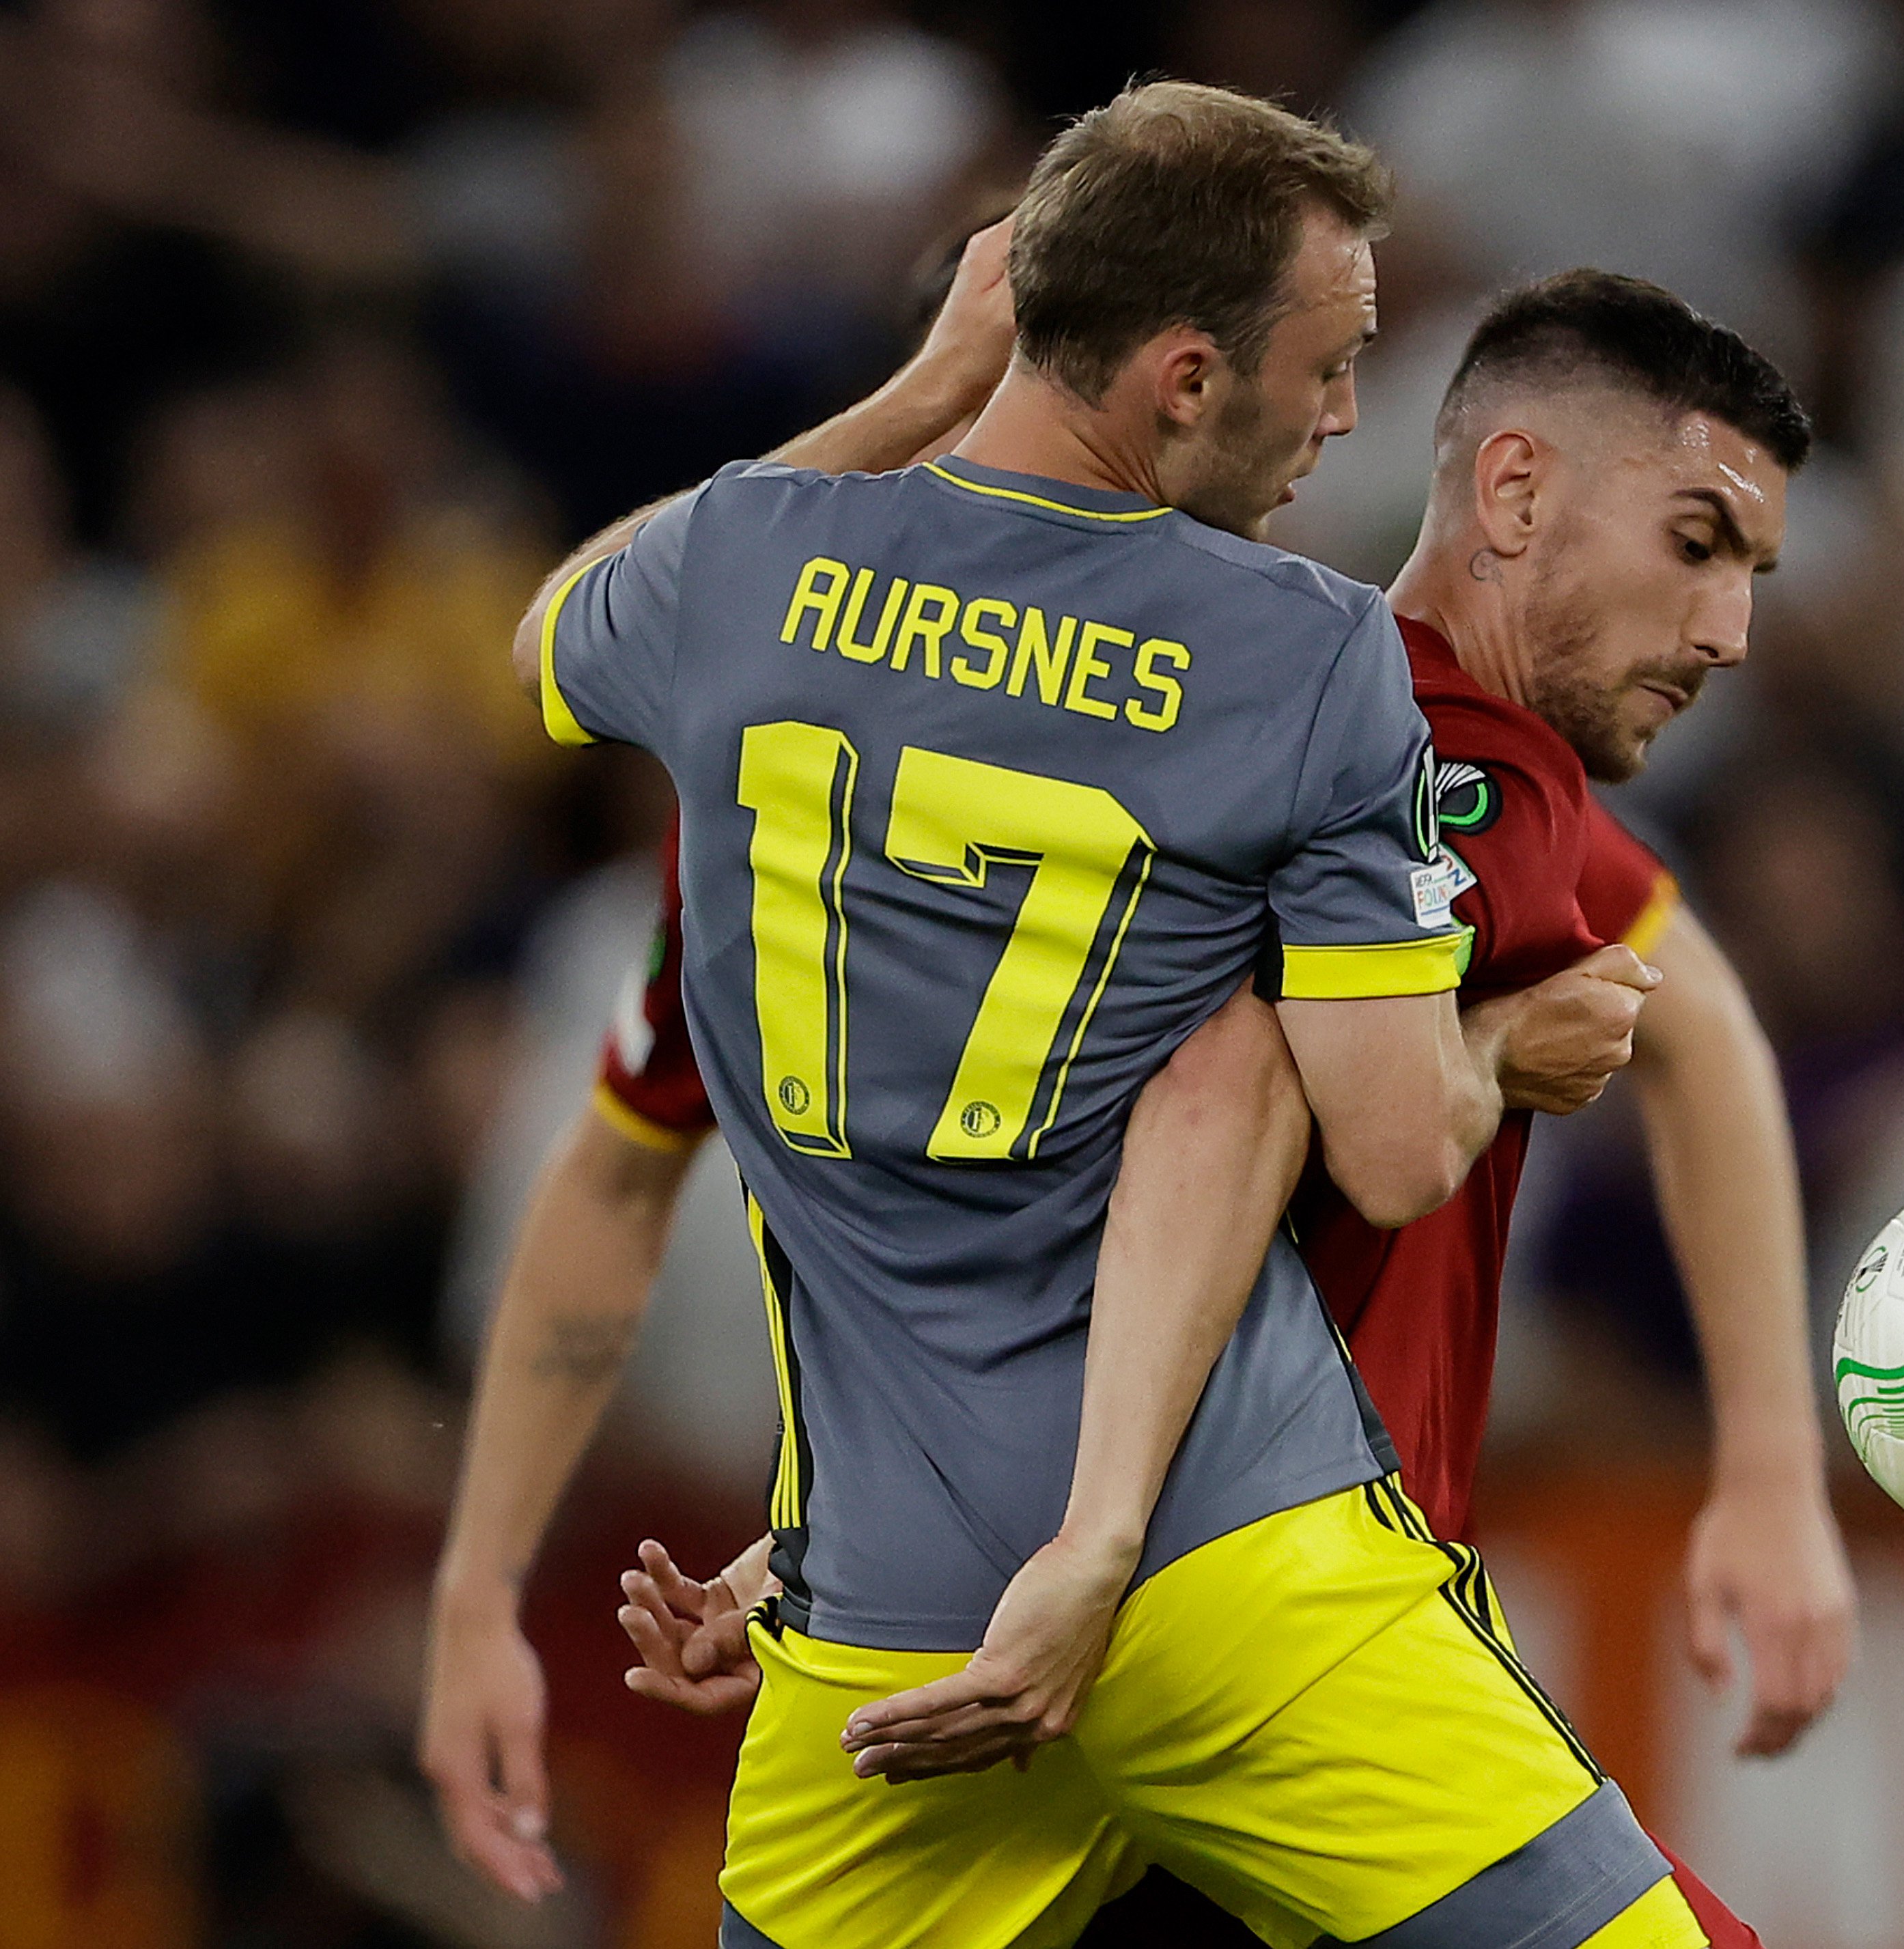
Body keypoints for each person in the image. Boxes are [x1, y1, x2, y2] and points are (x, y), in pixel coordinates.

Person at [509, 78, 1715, 1949]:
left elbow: (551, 637)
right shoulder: (1304, 651)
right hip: (1233, 1573)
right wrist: (1501, 1047)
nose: (1340, 419)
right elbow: (1394, 1152)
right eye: (1325, 370)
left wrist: (922, 389)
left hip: (885, 1616)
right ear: (1176, 378)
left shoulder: (736, 563)